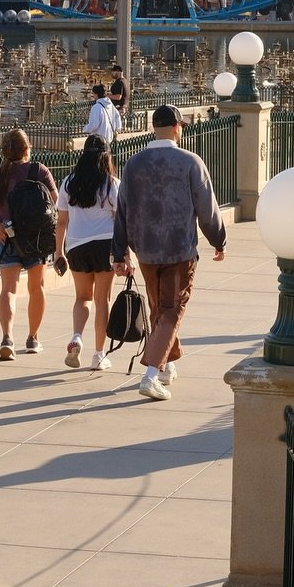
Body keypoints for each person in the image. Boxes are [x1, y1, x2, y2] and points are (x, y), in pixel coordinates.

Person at [110, 104, 226, 402]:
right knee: (172, 310)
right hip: (178, 249)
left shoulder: (133, 164)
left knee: (160, 309)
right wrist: (218, 240)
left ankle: (167, 365)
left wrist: (119, 252)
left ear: (153, 128)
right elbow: (207, 208)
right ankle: (150, 374)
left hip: (145, 250)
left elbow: (123, 210)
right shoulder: (190, 162)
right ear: (177, 128)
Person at [0, 127, 58, 362]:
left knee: (8, 290)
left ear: (4, 152)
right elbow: (56, 199)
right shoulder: (39, 170)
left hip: (6, 236)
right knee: (36, 288)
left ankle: (7, 338)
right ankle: (33, 338)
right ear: (27, 149)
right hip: (36, 238)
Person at [57, 134, 120, 372]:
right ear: (106, 156)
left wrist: (58, 252)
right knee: (102, 300)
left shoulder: (69, 182)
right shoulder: (111, 183)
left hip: (76, 246)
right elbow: (121, 219)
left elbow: (61, 221)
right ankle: (99, 354)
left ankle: (77, 337)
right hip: (105, 244)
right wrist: (125, 253)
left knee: (82, 297)